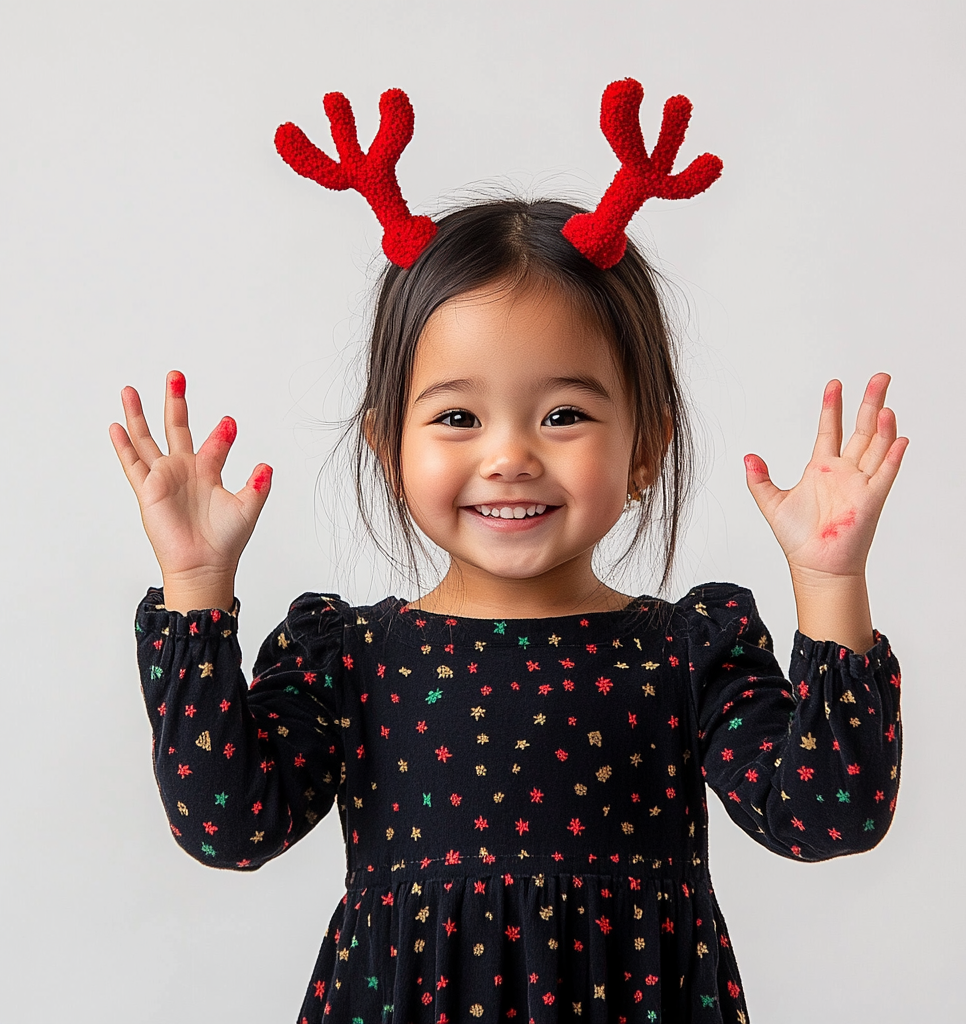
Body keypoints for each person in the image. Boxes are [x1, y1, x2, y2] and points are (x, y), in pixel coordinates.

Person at [111, 94, 907, 1024]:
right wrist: (198, 587)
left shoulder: (690, 653)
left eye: (563, 414)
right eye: (457, 417)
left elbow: (830, 818)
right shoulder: (352, 658)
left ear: (645, 445)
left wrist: (830, 584)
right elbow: (227, 825)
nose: (510, 455)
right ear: (387, 449)